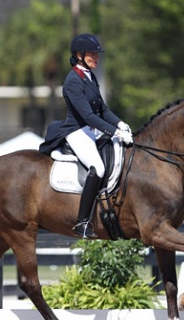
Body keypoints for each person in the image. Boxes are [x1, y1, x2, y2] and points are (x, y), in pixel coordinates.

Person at [39, 33, 133, 239]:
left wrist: (120, 123)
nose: (96, 58)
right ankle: (82, 222)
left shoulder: (89, 76)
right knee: (98, 168)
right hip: (75, 131)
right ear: (80, 55)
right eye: (92, 54)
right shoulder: (73, 81)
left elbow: (103, 110)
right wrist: (114, 132)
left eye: (97, 54)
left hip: (90, 130)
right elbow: (89, 116)